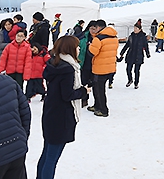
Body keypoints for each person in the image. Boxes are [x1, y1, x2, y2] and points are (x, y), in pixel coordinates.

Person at [38, 36, 90, 179]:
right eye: (77, 46)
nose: (79, 49)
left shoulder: (54, 63)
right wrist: (84, 91)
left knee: (47, 153)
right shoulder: (68, 69)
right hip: (62, 117)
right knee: (52, 158)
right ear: (70, 48)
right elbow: (67, 94)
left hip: (50, 112)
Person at [87, 20, 118, 117]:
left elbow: (92, 53)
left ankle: (103, 110)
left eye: (95, 28)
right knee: (98, 88)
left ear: (99, 27)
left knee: (99, 90)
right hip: (110, 67)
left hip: (100, 68)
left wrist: (89, 46)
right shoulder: (114, 37)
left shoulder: (98, 39)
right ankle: (97, 106)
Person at [117, 21, 150, 89]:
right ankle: (130, 80)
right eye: (134, 28)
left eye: (136, 28)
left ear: (140, 29)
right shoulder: (131, 36)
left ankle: (136, 83)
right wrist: (122, 52)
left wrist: (147, 53)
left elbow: (146, 46)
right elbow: (127, 45)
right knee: (128, 69)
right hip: (131, 54)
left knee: (136, 70)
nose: (135, 29)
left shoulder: (143, 37)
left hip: (138, 55)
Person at [78, 20, 97, 108]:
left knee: (94, 83)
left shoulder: (98, 38)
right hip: (85, 63)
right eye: (91, 28)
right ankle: (84, 99)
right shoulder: (83, 37)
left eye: (95, 29)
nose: (93, 31)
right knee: (84, 82)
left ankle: (96, 103)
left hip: (96, 64)